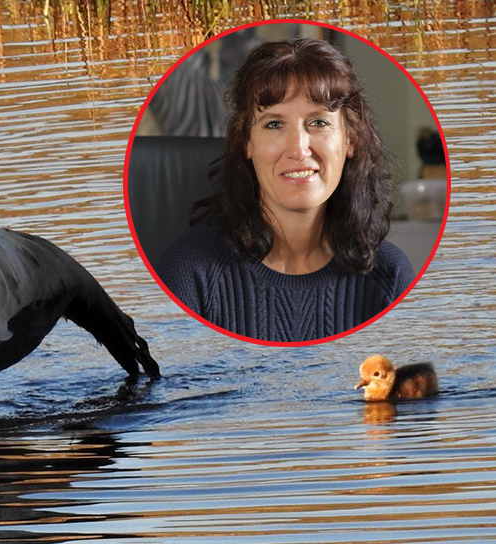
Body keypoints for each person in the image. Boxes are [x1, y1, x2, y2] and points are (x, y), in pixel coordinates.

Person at [154, 37, 415, 342]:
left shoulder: (391, 276)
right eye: (274, 125)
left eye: (318, 122)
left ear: (350, 140)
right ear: (246, 143)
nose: (298, 149)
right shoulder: (188, 271)